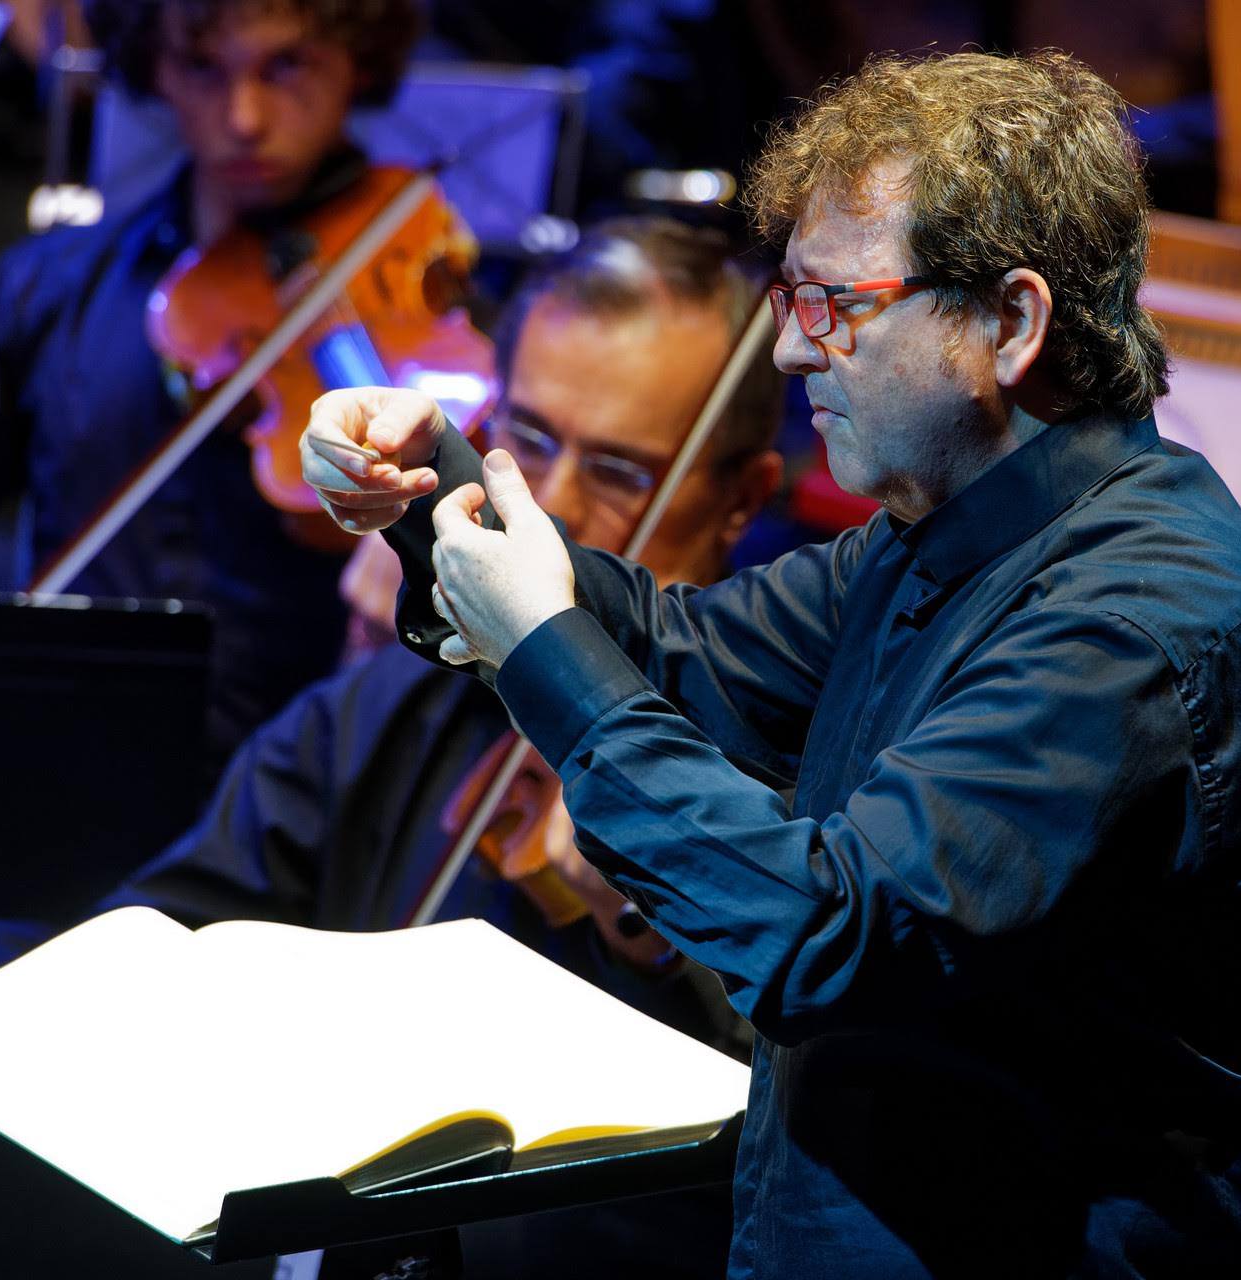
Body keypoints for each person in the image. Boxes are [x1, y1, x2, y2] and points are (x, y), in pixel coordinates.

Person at [302, 52, 1241, 1279]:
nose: (791, 352)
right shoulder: (936, 531)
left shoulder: (1134, 624)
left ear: (1008, 323)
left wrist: (541, 653)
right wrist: (433, 495)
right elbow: (679, 649)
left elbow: (828, 934)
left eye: (833, 304)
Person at [109, 216, 782, 1278]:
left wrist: (642, 924)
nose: (548, 512)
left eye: (617, 470)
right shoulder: (387, 703)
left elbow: (795, 1132)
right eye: (533, 441)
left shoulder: (776, 755)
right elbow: (151, 947)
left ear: (740, 498)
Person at [0, 0, 424, 766]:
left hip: (308, 801)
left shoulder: (430, 303)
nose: (244, 118)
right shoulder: (51, 287)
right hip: (56, 769)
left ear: (359, 60)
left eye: (287, 66)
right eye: (202, 68)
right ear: (153, 63)